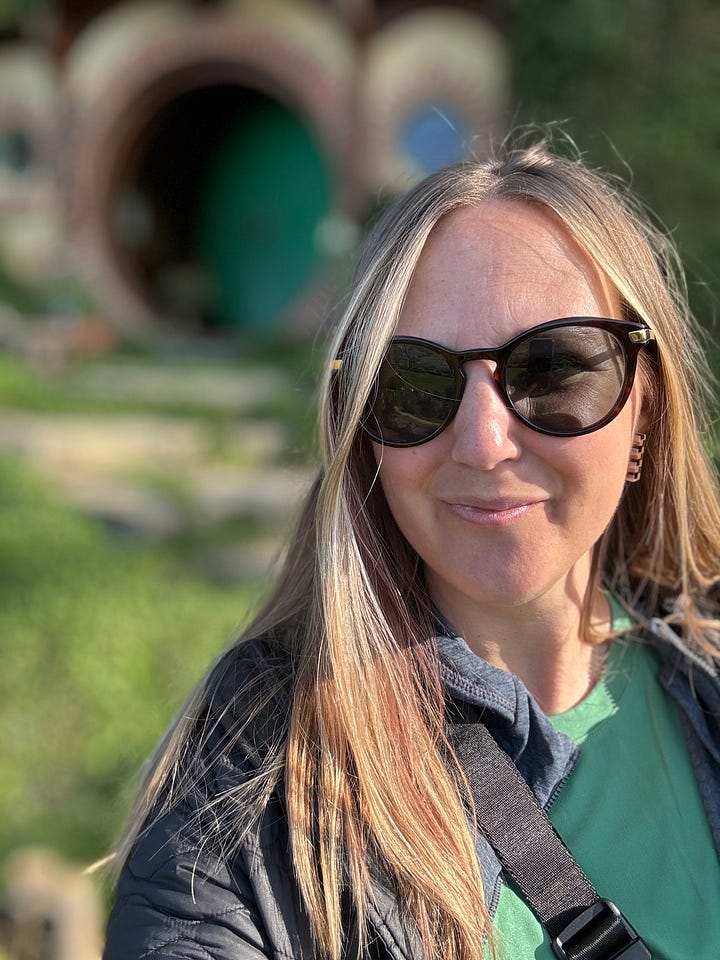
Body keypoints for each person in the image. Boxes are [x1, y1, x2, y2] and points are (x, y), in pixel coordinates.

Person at [102, 137, 720, 960]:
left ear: (645, 407)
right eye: (417, 384)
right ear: (363, 429)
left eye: (554, 367)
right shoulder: (255, 774)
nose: (483, 442)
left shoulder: (705, 677)